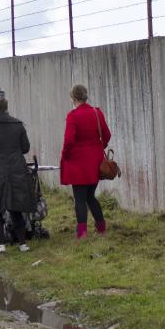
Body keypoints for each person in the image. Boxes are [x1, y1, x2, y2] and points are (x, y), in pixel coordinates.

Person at [0, 88, 36, 253]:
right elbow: (25, 148)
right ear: (6, 106)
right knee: (16, 206)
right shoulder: (18, 125)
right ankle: (23, 244)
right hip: (16, 169)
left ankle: (1, 244)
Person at [60, 83, 111, 238]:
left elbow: (68, 141)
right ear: (85, 96)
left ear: (73, 98)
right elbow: (107, 134)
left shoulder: (73, 116)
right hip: (95, 162)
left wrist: (65, 155)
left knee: (80, 199)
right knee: (90, 196)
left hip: (78, 163)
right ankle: (101, 227)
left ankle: (82, 233)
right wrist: (97, 147)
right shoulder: (97, 113)